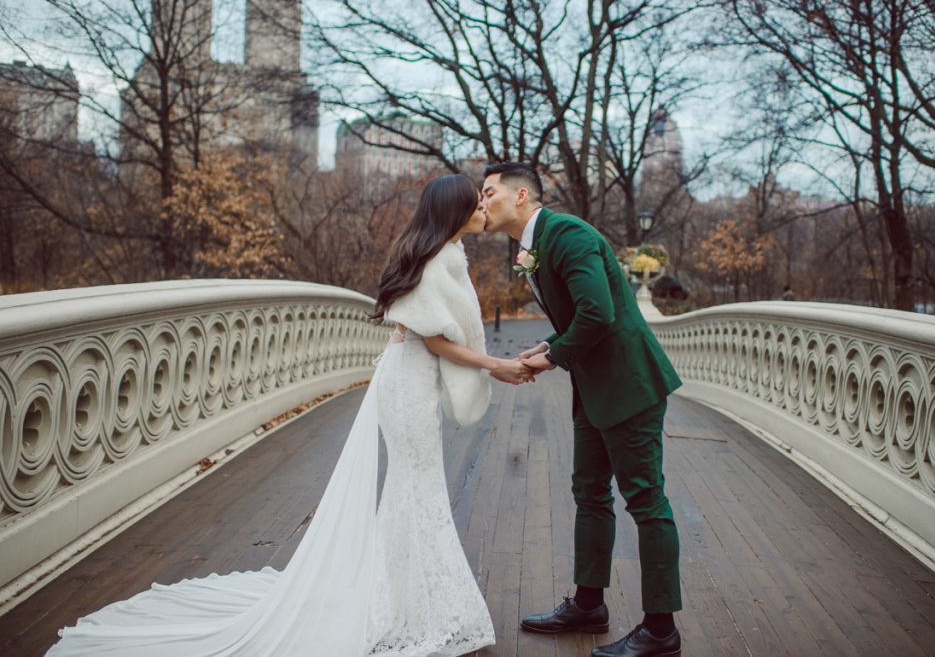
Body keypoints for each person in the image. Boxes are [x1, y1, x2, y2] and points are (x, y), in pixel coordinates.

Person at [46, 173, 533, 656]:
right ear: (453, 211)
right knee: (417, 488)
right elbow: (435, 339)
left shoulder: (442, 256)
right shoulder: (433, 263)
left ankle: (405, 599)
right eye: (474, 203)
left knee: (412, 488)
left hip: (410, 378)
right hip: (407, 384)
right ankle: (422, 607)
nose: (483, 209)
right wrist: (496, 366)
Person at [482, 162, 684, 657]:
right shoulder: (535, 245)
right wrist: (547, 344)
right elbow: (580, 315)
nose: (482, 203)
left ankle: (661, 631)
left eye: (488, 193)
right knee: (590, 493)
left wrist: (551, 358)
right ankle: (589, 605)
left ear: (521, 195)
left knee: (646, 501)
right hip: (594, 385)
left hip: (629, 385)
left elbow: (599, 313)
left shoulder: (566, 234)